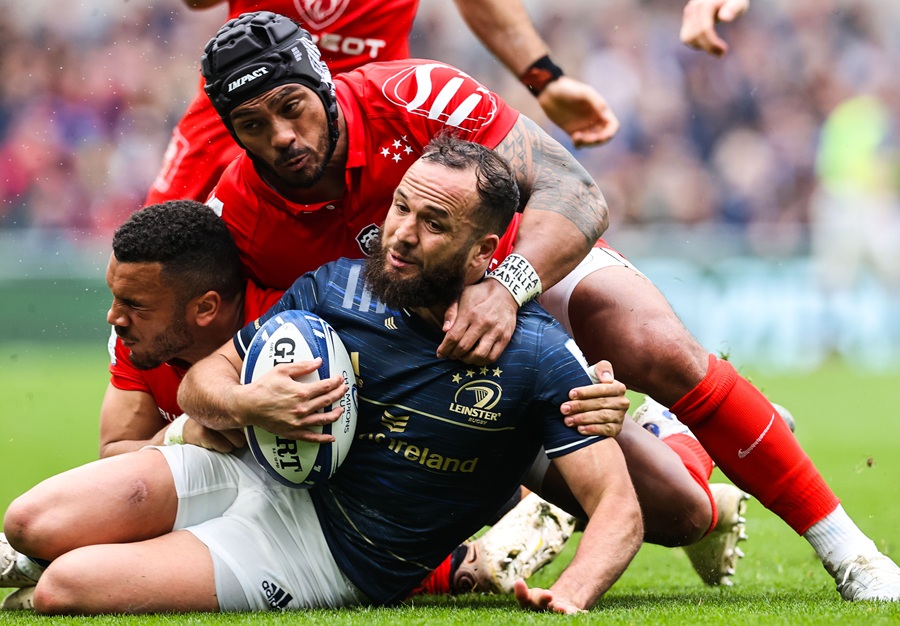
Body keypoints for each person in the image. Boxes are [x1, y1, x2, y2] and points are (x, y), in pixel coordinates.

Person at [196, 11, 900, 601]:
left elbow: (576, 191)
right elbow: (235, 354)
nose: (281, 136)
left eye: (291, 108)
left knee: (650, 343)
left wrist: (507, 287)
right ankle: (678, 437)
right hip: (440, 368)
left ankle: (851, 554)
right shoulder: (240, 216)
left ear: (322, 83)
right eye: (252, 124)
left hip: (519, 272)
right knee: (681, 515)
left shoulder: (415, 93)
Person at [4, 137, 645, 615]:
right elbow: (203, 382)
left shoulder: (537, 353)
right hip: (250, 467)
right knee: (29, 521)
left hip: (324, 554)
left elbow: (618, 507)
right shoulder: (336, 287)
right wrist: (249, 403)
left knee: (66, 587)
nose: (401, 235)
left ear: (483, 252)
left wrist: (572, 593)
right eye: (401, 208)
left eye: (434, 224)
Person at [145, 0, 619, 207]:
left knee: (418, 270)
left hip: (379, 115)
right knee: (158, 267)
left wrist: (543, 77)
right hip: (248, 108)